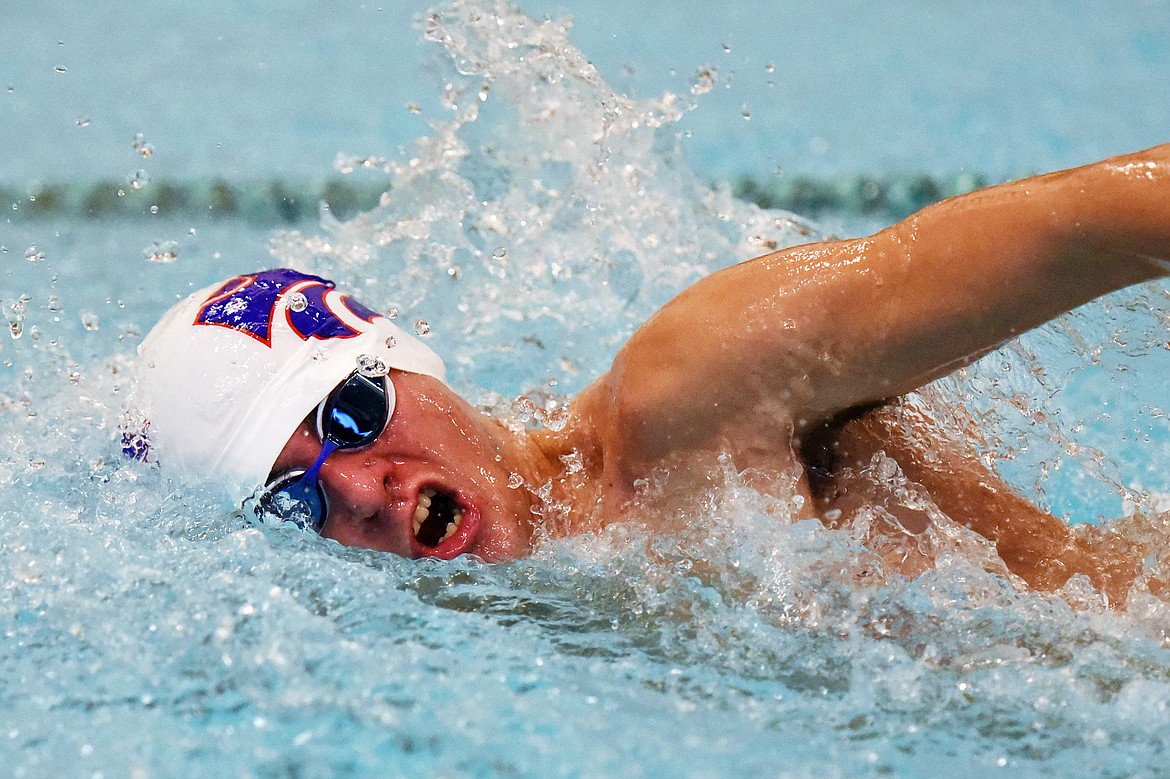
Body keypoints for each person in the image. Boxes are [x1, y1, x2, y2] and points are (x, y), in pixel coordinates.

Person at [128, 143, 1170, 606]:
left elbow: (1083, 226)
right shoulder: (540, 595)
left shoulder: (691, 394)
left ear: (410, 359)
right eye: (289, 497)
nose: (357, 491)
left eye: (351, 411)